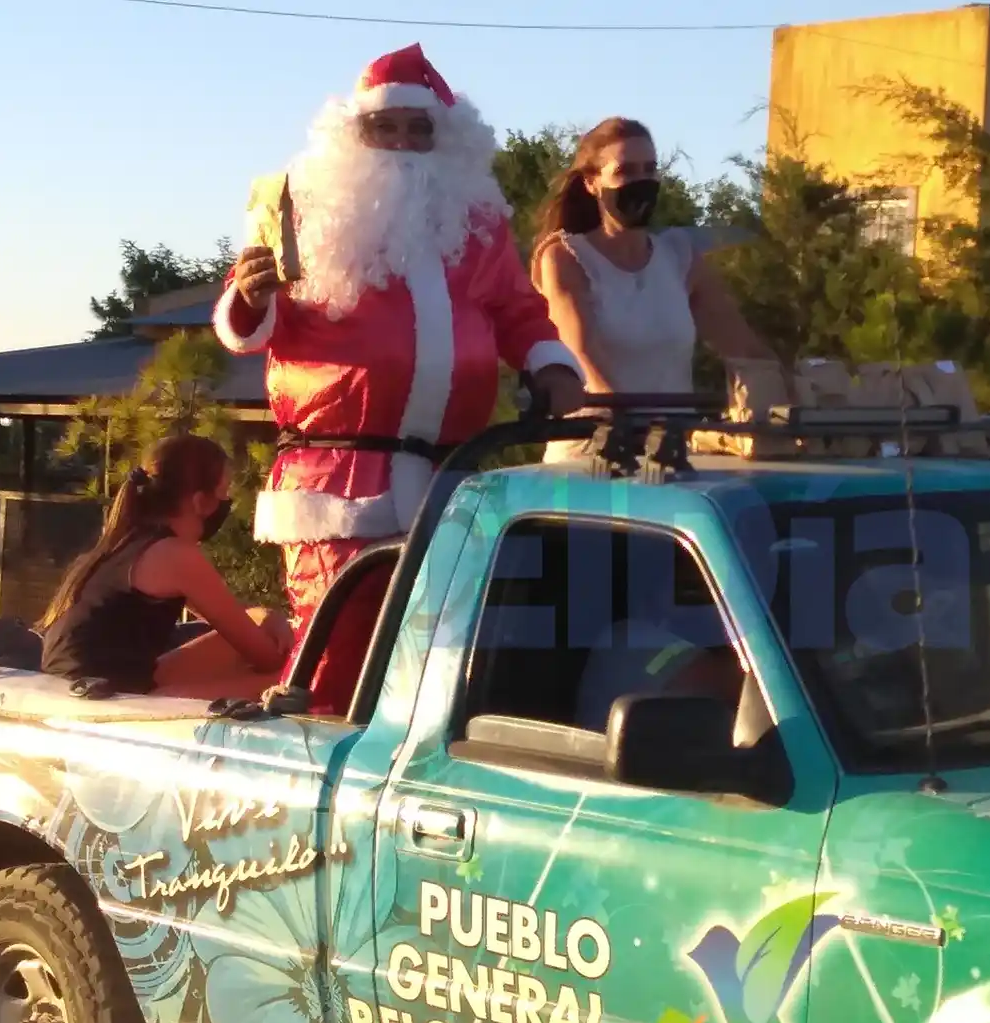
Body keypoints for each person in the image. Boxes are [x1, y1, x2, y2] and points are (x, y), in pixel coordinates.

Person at [211, 44, 585, 714]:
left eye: (421, 130)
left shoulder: (475, 227)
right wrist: (248, 295)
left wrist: (550, 365)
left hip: (449, 474)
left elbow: (514, 309)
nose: (404, 144)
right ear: (355, 136)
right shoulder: (302, 217)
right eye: (386, 128)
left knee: (437, 667)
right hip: (339, 483)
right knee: (337, 655)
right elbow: (251, 325)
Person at [528, 117, 775, 461]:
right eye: (625, 171)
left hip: (670, 455)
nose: (641, 181)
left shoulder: (678, 255)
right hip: (595, 454)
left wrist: (800, 392)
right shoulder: (565, 256)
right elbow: (584, 357)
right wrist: (628, 423)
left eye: (649, 169)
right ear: (592, 183)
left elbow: (741, 345)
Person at [40, 436, 293, 700]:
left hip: (74, 689)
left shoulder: (127, 543)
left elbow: (233, 617)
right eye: (224, 493)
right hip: (107, 699)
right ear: (200, 502)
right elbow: (265, 658)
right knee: (291, 680)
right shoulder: (176, 555)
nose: (227, 503)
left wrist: (267, 616)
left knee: (260, 648)